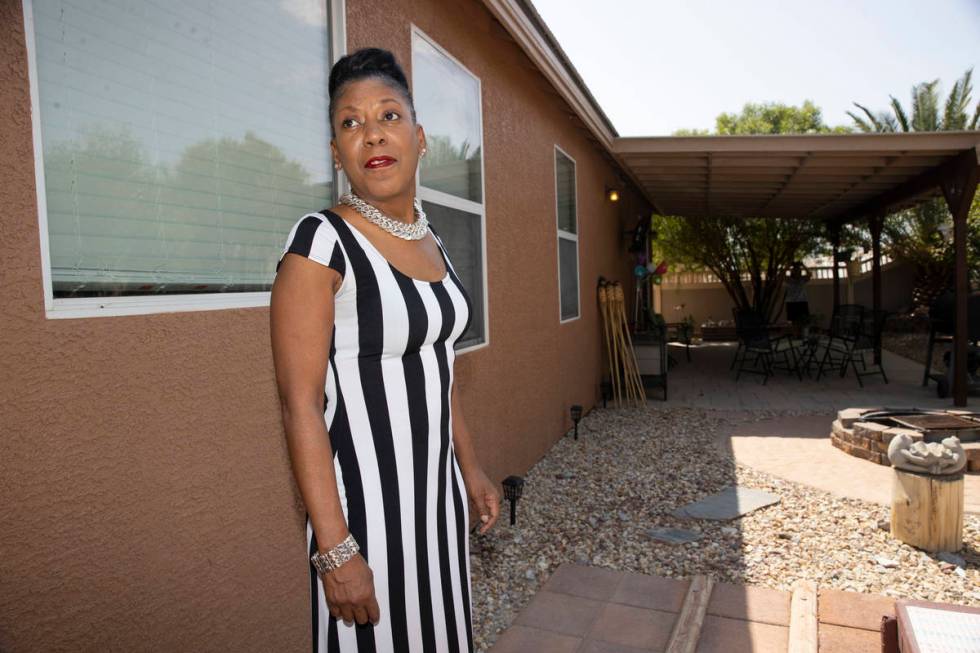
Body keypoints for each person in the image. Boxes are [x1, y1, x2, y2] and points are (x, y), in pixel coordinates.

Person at [270, 47, 500, 652]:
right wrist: (334, 548)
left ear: (420, 138)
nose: (372, 132)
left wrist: (469, 468)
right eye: (351, 122)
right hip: (364, 520)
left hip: (438, 507)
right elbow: (299, 408)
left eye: (389, 115)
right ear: (336, 152)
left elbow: (437, 373)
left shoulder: (435, 243)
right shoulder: (321, 243)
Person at [784, 260, 811, 335]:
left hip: (802, 301)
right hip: (791, 302)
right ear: (792, 271)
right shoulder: (789, 280)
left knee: (805, 320)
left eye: (798, 270)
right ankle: (796, 335)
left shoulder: (803, 279)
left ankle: (804, 335)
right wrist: (788, 266)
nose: (796, 271)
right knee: (793, 321)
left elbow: (809, 274)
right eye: (795, 270)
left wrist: (803, 265)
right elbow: (781, 274)